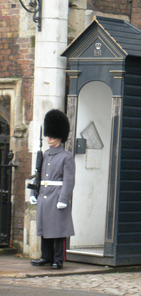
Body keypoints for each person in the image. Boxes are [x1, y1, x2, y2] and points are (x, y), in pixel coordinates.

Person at [29, 109, 75, 269]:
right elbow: (37, 176)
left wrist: (64, 199)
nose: (49, 138)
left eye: (52, 135)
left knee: (58, 231)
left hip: (57, 196)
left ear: (59, 136)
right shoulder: (45, 155)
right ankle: (45, 256)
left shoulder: (66, 157)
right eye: (48, 135)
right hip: (44, 195)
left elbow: (69, 181)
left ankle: (58, 259)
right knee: (44, 228)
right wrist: (32, 193)